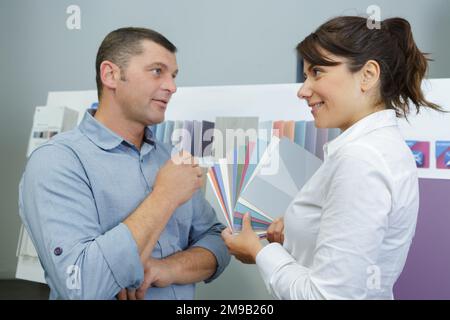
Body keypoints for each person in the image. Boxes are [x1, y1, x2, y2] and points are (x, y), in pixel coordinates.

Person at [222, 16, 444, 299]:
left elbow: (327, 297)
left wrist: (260, 251)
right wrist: (295, 242)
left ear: (367, 75)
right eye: (305, 75)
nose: (302, 90)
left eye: (317, 72)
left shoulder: (362, 159)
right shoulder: (374, 148)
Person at [19, 27, 230, 300]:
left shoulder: (169, 158)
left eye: (174, 75)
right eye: (157, 71)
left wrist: (168, 268)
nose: (172, 86)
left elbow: (217, 240)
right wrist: (164, 197)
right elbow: (82, 285)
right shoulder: (57, 162)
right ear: (111, 75)